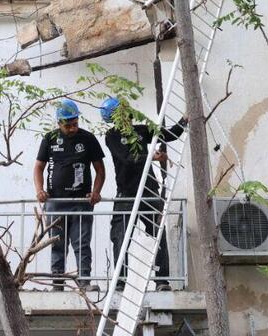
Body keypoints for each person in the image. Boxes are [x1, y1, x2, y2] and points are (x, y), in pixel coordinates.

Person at [99, 96, 187, 292]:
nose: (128, 115)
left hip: (148, 190)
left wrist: (184, 120)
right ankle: (121, 281)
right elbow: (128, 158)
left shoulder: (141, 130)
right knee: (121, 236)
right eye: (122, 112)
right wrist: (151, 156)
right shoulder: (112, 136)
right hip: (126, 193)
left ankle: (162, 280)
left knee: (156, 234)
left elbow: (170, 134)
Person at [34, 99, 106, 291]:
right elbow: (38, 167)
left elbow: (100, 169)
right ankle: (57, 284)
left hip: (81, 202)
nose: (73, 128)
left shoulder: (88, 139)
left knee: (82, 243)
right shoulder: (49, 138)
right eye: (68, 125)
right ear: (59, 123)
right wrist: (40, 190)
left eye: (75, 123)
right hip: (56, 202)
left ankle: (84, 282)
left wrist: (96, 192)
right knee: (57, 244)